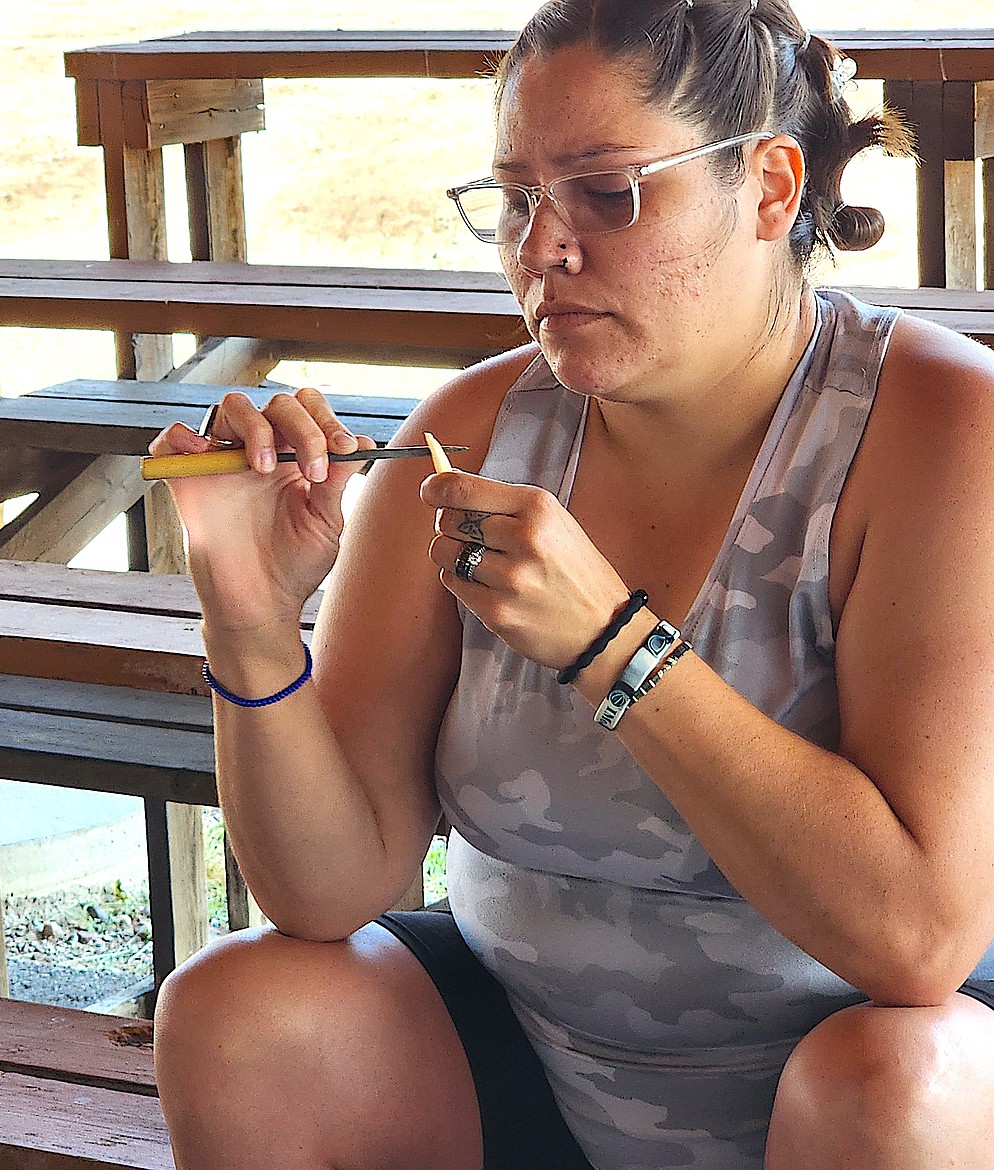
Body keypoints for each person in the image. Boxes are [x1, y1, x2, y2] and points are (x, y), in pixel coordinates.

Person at [147, 1, 994, 1166]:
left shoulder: (940, 428)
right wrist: (248, 625)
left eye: (609, 191)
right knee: (239, 1012)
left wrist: (614, 644)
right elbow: (327, 890)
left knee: (889, 1086)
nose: (543, 246)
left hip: (875, 1099)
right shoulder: (475, 432)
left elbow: (916, 939)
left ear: (770, 187)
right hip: (536, 1064)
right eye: (516, 197)